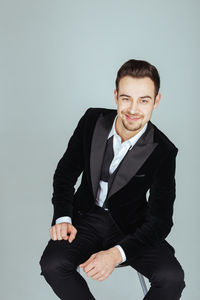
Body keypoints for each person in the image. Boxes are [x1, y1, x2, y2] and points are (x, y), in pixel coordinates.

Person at [39, 59, 186, 300]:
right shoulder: (91, 120)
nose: (133, 109)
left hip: (132, 227)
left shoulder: (164, 151)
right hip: (85, 219)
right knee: (53, 265)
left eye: (144, 100)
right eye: (126, 98)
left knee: (171, 279)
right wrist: (62, 216)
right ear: (116, 96)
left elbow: (161, 220)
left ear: (156, 101)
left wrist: (117, 253)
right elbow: (65, 173)